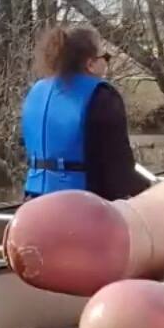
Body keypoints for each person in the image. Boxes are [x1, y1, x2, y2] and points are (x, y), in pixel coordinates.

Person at [19, 24, 145, 201]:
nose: (107, 62)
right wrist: (147, 193)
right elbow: (119, 168)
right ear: (91, 64)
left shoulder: (35, 92)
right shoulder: (102, 96)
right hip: (81, 204)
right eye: (105, 57)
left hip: (32, 200)